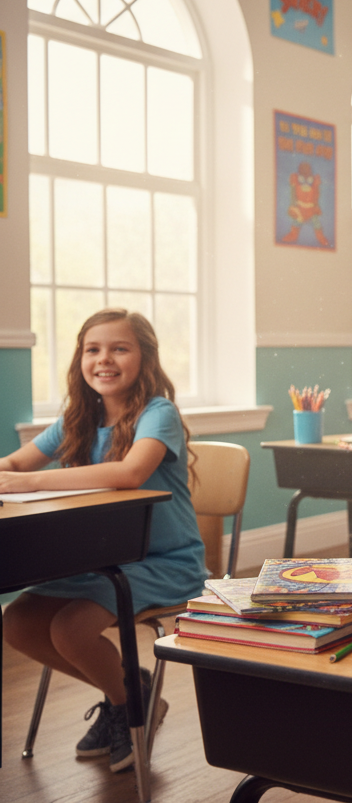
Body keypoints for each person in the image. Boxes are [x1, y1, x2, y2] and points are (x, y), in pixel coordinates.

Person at [0, 309, 206, 773]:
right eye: (93, 349)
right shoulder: (79, 417)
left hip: (166, 562)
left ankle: (127, 704)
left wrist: (34, 484)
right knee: (17, 623)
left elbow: (130, 473)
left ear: (144, 358)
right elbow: (15, 463)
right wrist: (9, 473)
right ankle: (132, 695)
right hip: (100, 562)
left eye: (119, 348)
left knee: (70, 629)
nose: (104, 359)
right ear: (80, 360)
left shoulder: (159, 413)